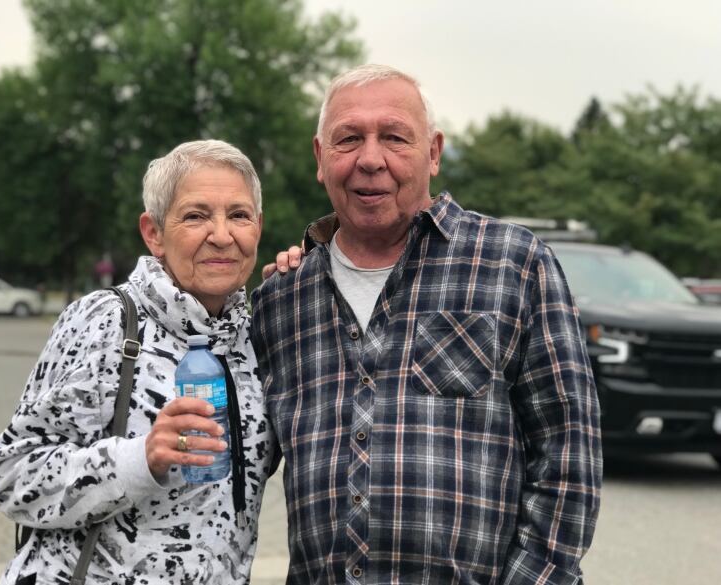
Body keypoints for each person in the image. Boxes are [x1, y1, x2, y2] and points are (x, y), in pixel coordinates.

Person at [251, 64, 602, 584]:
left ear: (433, 153)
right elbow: (231, 461)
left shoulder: (513, 265)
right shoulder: (282, 299)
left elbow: (568, 455)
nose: (371, 159)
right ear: (321, 159)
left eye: (394, 137)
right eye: (349, 139)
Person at [0, 140, 277, 584]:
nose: (222, 235)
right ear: (154, 233)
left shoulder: (253, 339)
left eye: (238, 215)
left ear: (257, 227)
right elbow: (12, 474)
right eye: (196, 216)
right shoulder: (106, 321)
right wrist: (140, 459)